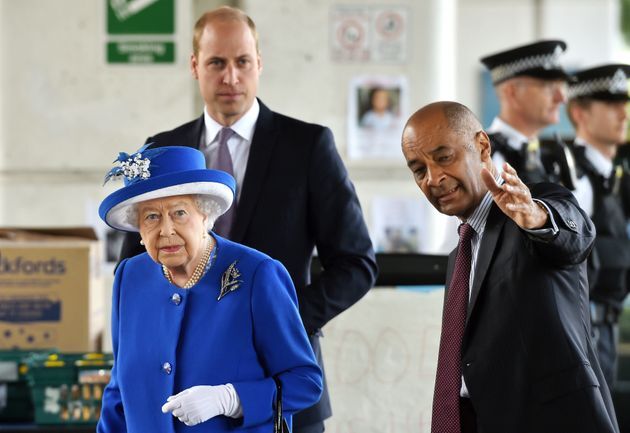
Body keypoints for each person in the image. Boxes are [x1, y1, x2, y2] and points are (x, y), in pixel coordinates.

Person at [118, 7, 378, 433]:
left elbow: (357, 264)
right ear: (194, 66)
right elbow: (138, 263)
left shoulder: (308, 146)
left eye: (242, 62)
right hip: (175, 396)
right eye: (217, 62)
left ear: (259, 64)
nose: (230, 77)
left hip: (282, 387)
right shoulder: (161, 149)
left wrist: (280, 317)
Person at [401, 101, 619, 433]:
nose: (433, 178)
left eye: (444, 157)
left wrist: (536, 217)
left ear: (482, 146)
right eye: (419, 169)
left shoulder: (531, 211)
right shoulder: (460, 255)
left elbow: (575, 234)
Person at [97, 145, 323, 433]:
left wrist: (230, 399)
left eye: (179, 213)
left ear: (206, 215)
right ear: (139, 230)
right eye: (151, 217)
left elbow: (305, 381)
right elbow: (119, 391)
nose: (165, 230)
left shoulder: (258, 274)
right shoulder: (130, 277)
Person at [566, 63, 630, 391]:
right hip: (582, 327)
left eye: (625, 104)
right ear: (580, 114)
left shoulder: (615, 176)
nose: (623, 114)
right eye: (611, 105)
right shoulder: (572, 175)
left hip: (607, 322)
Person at [480, 40, 574, 185]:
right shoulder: (483, 158)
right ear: (512, 92)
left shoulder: (547, 159)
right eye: (548, 87)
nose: (561, 98)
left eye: (561, 88)